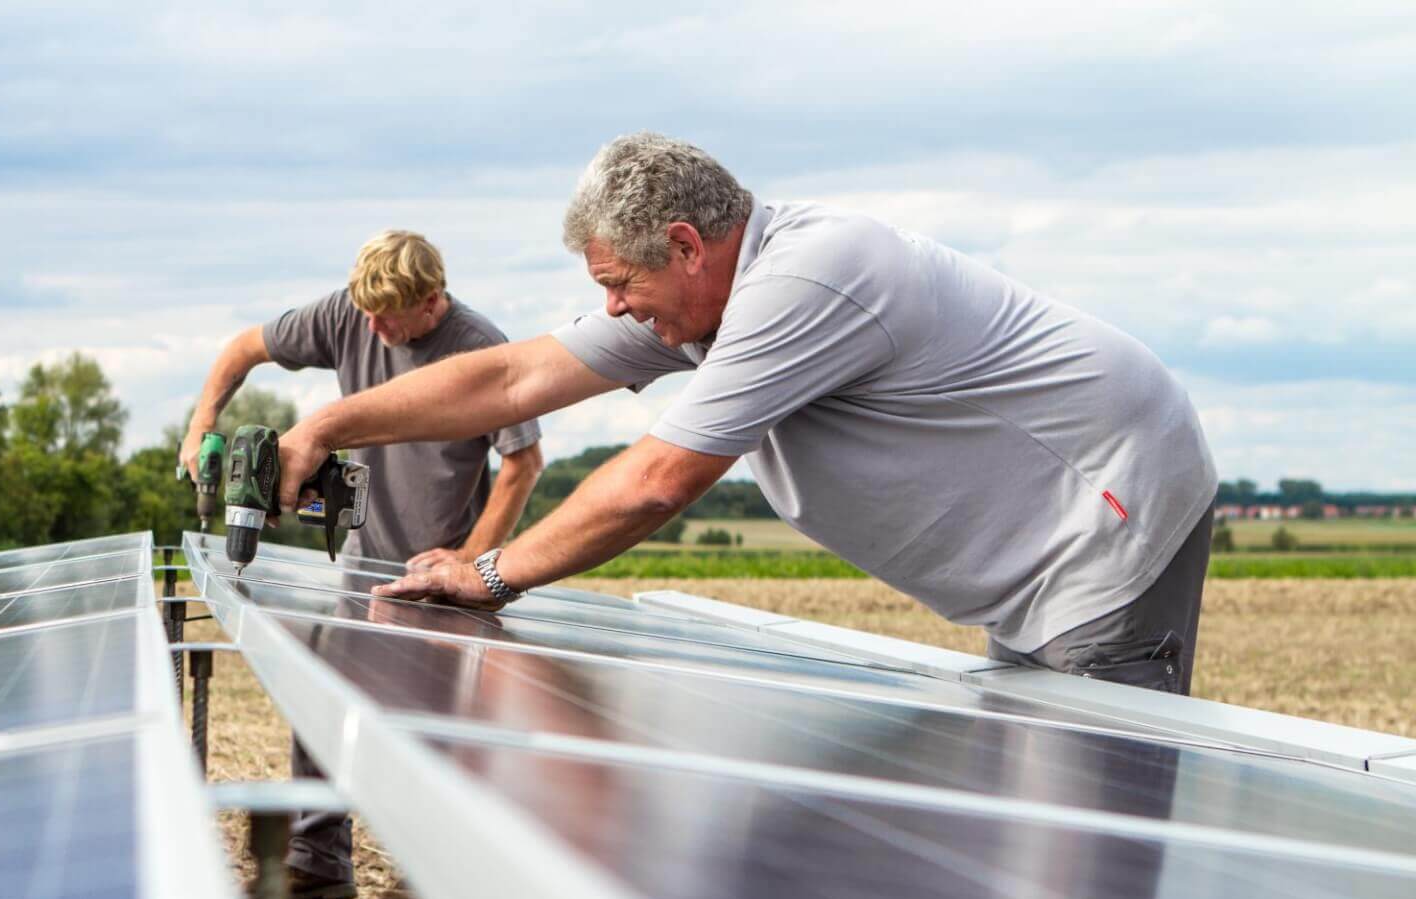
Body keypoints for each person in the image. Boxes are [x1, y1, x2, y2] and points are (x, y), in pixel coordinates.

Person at [278, 132, 1216, 700]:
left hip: (1107, 512)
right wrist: (325, 428)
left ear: (686, 245)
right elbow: (513, 380)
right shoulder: (700, 304)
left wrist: (489, 572)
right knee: (1038, 779)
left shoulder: (809, 278)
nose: (612, 308)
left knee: (1091, 808)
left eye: (619, 283)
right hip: (1034, 554)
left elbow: (658, 482)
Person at [179, 229, 544, 899]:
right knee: (321, 692)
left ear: (431, 300)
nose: (371, 330)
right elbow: (243, 348)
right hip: (358, 557)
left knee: (433, 721)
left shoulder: (481, 348)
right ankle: (317, 862)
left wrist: (472, 562)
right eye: (365, 314)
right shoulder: (349, 313)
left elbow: (524, 463)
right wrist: (203, 423)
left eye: (387, 317)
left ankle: (427, 873)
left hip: (439, 574)